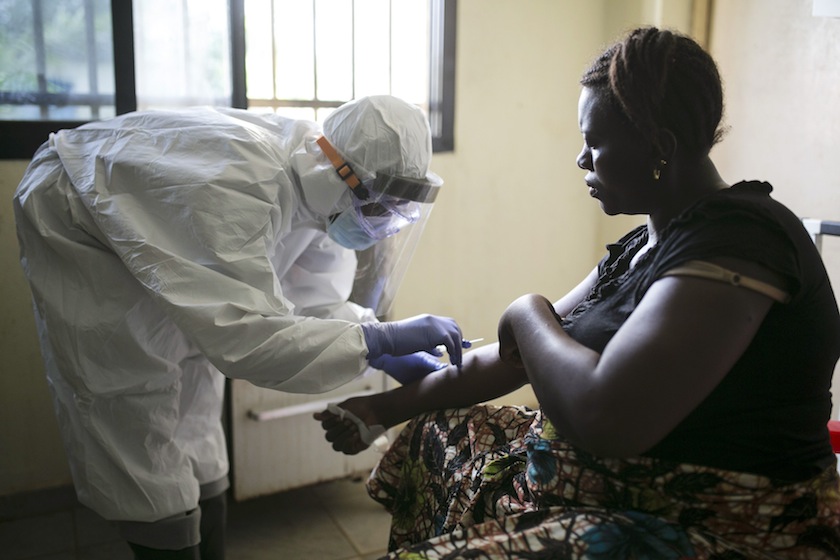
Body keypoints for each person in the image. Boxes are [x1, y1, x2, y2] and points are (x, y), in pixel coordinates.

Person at [315, 28, 840, 559]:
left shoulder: (740, 238)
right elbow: (518, 359)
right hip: (615, 488)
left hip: (724, 522)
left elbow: (605, 418)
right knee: (437, 435)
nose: (581, 160)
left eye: (595, 143)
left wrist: (527, 309)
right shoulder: (647, 241)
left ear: (659, 147)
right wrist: (380, 408)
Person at [13, 95, 469, 559]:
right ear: (341, 172)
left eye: (397, 211)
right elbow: (250, 337)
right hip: (76, 209)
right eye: (380, 207)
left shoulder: (318, 188)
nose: (384, 224)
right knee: (129, 387)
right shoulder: (245, 184)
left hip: (160, 208)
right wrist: (378, 341)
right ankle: (167, 540)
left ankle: (201, 535)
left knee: (194, 385)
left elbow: (309, 302)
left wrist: (378, 344)